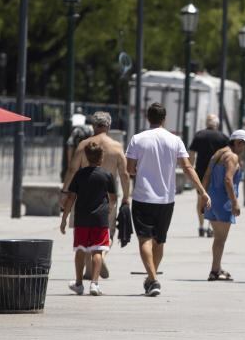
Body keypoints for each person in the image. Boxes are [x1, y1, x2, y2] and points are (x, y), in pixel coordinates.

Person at [126, 102, 210, 297]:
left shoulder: (137, 139)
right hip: (166, 199)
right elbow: (188, 167)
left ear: (148, 118)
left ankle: (153, 279)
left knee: (144, 240)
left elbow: (130, 169)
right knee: (159, 241)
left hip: (143, 197)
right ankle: (151, 278)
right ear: (164, 119)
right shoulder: (175, 140)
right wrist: (202, 190)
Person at [62, 110, 130, 280]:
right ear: (109, 125)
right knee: (108, 231)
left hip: (83, 196)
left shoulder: (84, 144)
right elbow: (124, 174)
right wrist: (126, 197)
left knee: (84, 231)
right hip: (107, 197)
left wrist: (64, 191)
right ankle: (101, 257)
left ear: (93, 125)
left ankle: (87, 270)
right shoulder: (116, 147)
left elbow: (72, 169)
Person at [60, 142, 116, 297]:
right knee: (97, 251)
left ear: (86, 157)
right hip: (100, 219)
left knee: (80, 250)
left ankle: (79, 283)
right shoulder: (107, 175)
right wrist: (110, 209)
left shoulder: (79, 175)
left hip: (82, 219)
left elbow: (71, 198)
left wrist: (64, 219)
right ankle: (94, 284)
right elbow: (113, 197)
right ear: (101, 158)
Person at [200, 129, 245, 281]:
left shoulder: (218, 153)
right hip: (224, 202)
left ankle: (216, 268)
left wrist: (203, 198)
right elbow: (228, 180)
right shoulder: (232, 157)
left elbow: (206, 176)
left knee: (218, 238)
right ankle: (214, 271)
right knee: (221, 239)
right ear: (238, 143)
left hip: (212, 198)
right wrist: (235, 202)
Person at [189, 114, 228, 238]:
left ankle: (201, 227)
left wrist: (190, 170)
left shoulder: (199, 135)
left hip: (200, 171)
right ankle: (211, 228)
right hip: (216, 172)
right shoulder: (223, 137)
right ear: (217, 124)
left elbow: (192, 155)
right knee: (214, 200)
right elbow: (227, 156)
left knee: (200, 198)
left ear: (206, 123)